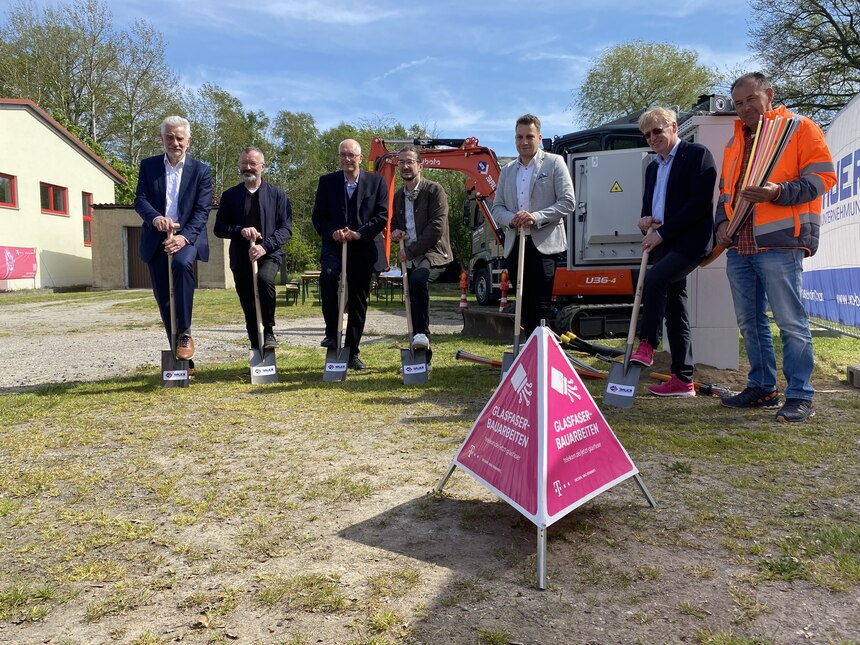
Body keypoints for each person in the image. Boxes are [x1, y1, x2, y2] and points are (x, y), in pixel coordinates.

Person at [715, 72, 836, 422]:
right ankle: (763, 387)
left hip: (780, 242)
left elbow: (822, 179)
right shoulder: (734, 142)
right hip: (740, 243)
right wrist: (720, 224)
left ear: (769, 94)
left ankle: (800, 394)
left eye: (750, 99)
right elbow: (726, 192)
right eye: (738, 103)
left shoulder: (799, 128)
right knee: (750, 323)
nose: (744, 108)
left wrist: (777, 193)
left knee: (790, 321)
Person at [628, 107, 718, 397]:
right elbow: (649, 207)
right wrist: (645, 221)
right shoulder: (653, 167)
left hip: (691, 242)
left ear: (674, 127)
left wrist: (663, 233)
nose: (653, 138)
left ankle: (647, 344)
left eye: (657, 130)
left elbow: (698, 205)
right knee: (675, 308)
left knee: (654, 280)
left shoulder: (697, 155)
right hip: (664, 243)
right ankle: (683, 378)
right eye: (647, 134)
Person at [135, 116, 212, 372]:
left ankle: (185, 333)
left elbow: (202, 211)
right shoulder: (149, 166)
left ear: (188, 141)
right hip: (156, 237)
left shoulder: (201, 170)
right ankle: (181, 355)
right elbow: (140, 200)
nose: (175, 142)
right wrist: (155, 218)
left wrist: (183, 237)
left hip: (187, 235)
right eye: (170, 137)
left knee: (180, 264)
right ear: (162, 139)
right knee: (164, 298)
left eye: (180, 138)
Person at [493, 114, 574, 337]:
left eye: (529, 136)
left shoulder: (554, 162)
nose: (524, 141)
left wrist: (535, 216)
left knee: (540, 303)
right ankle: (527, 354)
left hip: (544, 243)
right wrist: (512, 219)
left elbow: (568, 201)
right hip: (515, 244)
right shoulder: (507, 170)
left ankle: (540, 351)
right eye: (519, 137)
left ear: (539, 137)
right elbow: (497, 207)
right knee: (522, 301)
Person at [312, 139, 388, 371]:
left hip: (363, 246)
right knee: (328, 276)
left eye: (351, 155)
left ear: (360, 158)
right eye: (343, 155)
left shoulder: (377, 183)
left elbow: (382, 215)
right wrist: (332, 232)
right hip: (334, 245)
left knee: (357, 299)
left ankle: (352, 351)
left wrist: (359, 233)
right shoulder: (327, 182)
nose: (347, 159)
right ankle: (332, 334)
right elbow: (319, 217)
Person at [214, 147, 292, 352]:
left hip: (269, 253)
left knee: (264, 280)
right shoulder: (230, 196)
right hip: (241, 256)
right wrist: (240, 230)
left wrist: (264, 247)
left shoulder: (278, 195)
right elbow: (219, 228)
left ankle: (268, 330)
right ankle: (256, 346)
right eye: (243, 163)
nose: (247, 168)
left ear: (263, 167)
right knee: (248, 299)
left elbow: (286, 230)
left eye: (252, 164)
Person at [390, 145, 453, 366]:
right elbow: (394, 223)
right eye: (401, 162)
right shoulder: (399, 196)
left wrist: (410, 251)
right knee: (411, 296)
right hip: (410, 255)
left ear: (420, 164)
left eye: (410, 161)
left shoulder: (435, 191)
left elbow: (436, 228)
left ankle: (422, 335)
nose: (406, 166)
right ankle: (421, 355)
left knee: (417, 281)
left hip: (434, 253)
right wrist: (395, 231)